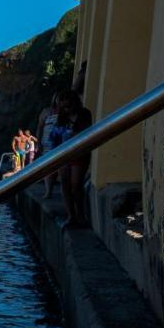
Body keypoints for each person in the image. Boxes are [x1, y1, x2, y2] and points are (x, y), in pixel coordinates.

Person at [54, 89, 94, 227]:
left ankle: (80, 215)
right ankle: (71, 215)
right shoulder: (61, 117)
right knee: (65, 183)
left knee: (76, 184)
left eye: (68, 106)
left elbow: (87, 131)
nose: (66, 109)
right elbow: (56, 134)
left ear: (74, 103)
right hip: (64, 153)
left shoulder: (85, 114)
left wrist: (74, 133)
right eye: (63, 107)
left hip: (80, 152)